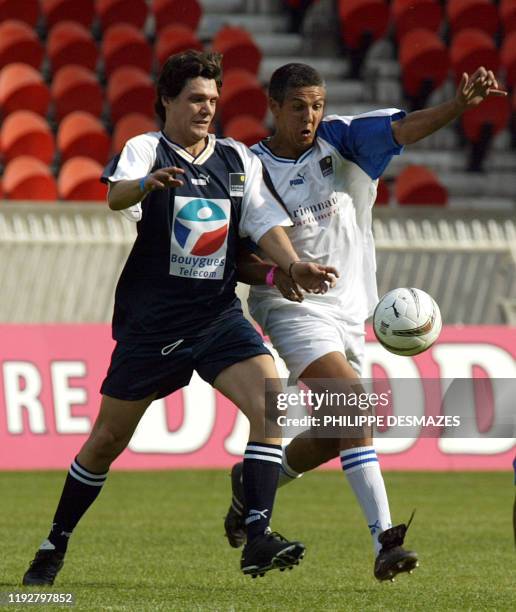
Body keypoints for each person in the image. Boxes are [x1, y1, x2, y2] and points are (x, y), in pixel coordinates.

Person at [22, 51, 339, 586]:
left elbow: (263, 225)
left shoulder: (238, 160)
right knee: (105, 442)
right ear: (167, 100)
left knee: (271, 404)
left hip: (216, 318)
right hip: (153, 328)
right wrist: (146, 185)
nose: (206, 109)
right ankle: (55, 542)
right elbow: (116, 196)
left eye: (213, 100)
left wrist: (293, 264)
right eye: (195, 98)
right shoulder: (146, 149)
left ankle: (257, 535)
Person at [224, 62, 506, 581]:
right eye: (297, 107)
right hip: (292, 307)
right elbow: (236, 258)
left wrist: (459, 107)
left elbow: (404, 128)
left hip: (353, 311)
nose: (310, 116)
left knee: (340, 430)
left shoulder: (343, 140)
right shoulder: (249, 170)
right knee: (355, 404)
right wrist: (274, 274)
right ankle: (385, 542)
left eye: (317, 105)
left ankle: (254, 482)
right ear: (273, 106)